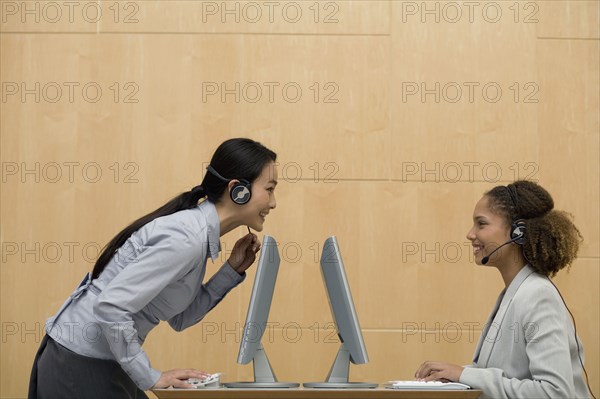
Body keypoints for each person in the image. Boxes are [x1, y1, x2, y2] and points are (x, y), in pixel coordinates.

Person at [28, 138, 279, 398]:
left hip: (104, 360)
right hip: (80, 363)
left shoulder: (198, 236)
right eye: (269, 189)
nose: (273, 203)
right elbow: (111, 307)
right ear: (238, 190)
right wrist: (150, 376)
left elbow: (181, 317)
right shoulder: (185, 238)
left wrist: (230, 271)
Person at [415, 180, 593, 399]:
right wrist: (455, 377)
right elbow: (507, 375)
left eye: (481, 224)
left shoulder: (538, 296)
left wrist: (464, 375)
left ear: (518, 232)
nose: (470, 234)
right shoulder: (514, 294)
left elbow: (554, 393)